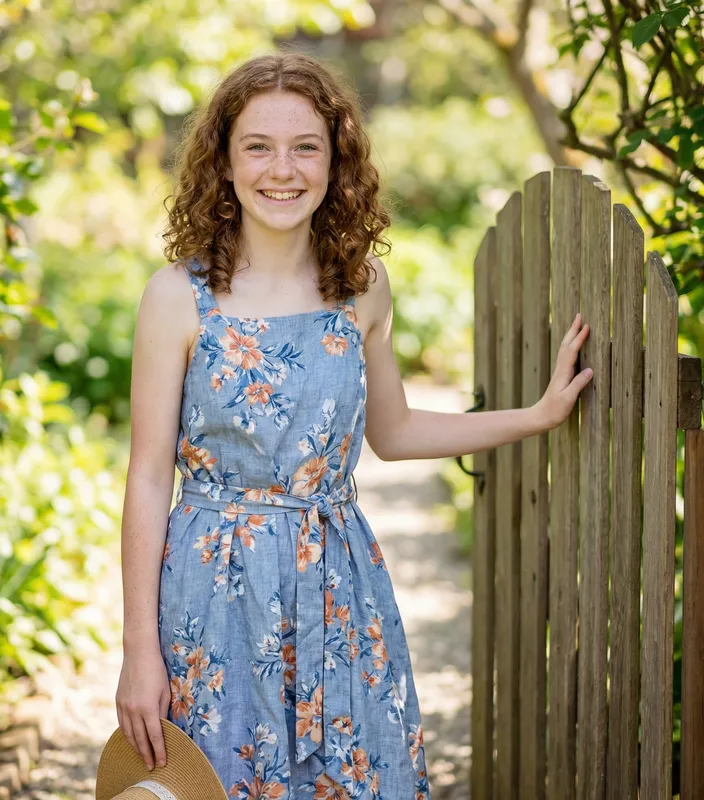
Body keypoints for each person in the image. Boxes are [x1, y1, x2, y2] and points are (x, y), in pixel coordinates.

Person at [115, 51, 592, 799]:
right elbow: (147, 476)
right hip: (213, 596)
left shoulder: (362, 288)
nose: (284, 169)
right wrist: (138, 650)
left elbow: (393, 433)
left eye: (306, 146)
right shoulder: (178, 296)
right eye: (258, 147)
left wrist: (536, 415)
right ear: (225, 162)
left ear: (337, 161)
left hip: (341, 589)